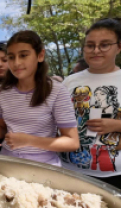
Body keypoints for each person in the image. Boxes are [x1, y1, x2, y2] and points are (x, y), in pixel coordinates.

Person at [0, 30, 79, 166]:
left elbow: (72, 142)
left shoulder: (57, 91)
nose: (16, 63)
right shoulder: (3, 90)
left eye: (23, 55)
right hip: (7, 162)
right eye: (11, 57)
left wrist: (29, 140)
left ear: (40, 55)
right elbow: (2, 127)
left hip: (43, 165)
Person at [59, 18, 121, 189]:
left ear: (119, 47)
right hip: (69, 171)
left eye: (104, 45)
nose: (96, 50)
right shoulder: (69, 82)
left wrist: (116, 124)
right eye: (90, 45)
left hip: (114, 175)